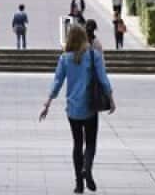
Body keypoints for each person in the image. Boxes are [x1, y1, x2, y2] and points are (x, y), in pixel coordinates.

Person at [40, 24, 115, 194]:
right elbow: (103, 79)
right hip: (90, 106)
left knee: (77, 144)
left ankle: (79, 184)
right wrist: (111, 98)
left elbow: (57, 82)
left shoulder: (65, 58)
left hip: (73, 108)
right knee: (91, 142)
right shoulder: (93, 55)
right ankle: (87, 169)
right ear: (84, 38)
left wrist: (48, 102)